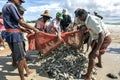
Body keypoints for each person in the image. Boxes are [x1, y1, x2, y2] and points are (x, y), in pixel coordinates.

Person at [2, 0, 39, 80]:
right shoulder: (12, 6)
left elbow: (13, 24)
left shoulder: (5, 6)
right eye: (20, 1)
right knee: (21, 58)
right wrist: (35, 29)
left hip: (9, 34)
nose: (21, 3)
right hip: (15, 36)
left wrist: (25, 30)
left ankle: (27, 71)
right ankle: (22, 78)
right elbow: (21, 22)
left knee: (21, 55)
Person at [74, 8, 112, 80]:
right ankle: (99, 64)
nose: (78, 18)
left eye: (78, 17)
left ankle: (88, 77)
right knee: (94, 52)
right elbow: (87, 27)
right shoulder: (87, 19)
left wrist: (97, 49)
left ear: (82, 15)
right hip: (97, 38)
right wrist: (82, 27)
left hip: (105, 38)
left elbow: (102, 34)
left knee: (92, 55)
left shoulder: (91, 20)